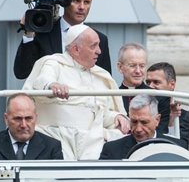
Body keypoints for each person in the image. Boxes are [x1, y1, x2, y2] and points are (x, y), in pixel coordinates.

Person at [23, 24, 129, 160]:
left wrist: (115, 117)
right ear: (76, 49)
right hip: (58, 137)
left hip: (93, 140)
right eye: (93, 46)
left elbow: (99, 114)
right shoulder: (54, 63)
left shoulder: (101, 76)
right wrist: (52, 85)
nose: (99, 51)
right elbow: (42, 81)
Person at [14, 0, 111, 80]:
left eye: (86, 2)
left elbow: (105, 80)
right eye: (76, 1)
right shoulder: (43, 33)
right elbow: (21, 73)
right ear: (64, 2)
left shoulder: (100, 39)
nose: (82, 7)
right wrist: (29, 34)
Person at [0, 93, 63, 161]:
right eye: (18, 118)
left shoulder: (52, 147)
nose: (23, 125)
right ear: (6, 119)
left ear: (36, 118)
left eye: (28, 118)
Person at [100, 94, 185, 160]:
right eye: (134, 121)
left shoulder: (177, 147)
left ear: (157, 120)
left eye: (144, 122)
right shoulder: (112, 150)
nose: (138, 129)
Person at [117, 43, 169, 135]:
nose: (138, 71)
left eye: (142, 66)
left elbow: (161, 132)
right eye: (132, 65)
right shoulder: (111, 96)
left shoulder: (160, 97)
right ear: (120, 67)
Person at [146, 62, 189, 146]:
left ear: (172, 85)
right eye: (148, 82)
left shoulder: (186, 117)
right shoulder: (141, 115)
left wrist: (172, 121)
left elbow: (185, 148)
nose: (150, 86)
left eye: (156, 82)